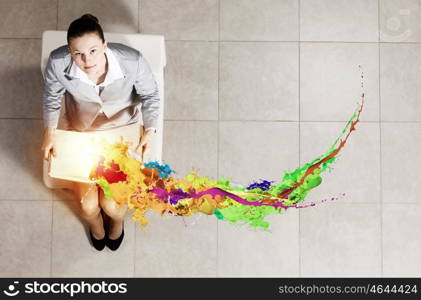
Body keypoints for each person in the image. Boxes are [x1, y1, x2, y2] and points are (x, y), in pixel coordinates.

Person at [40, 13, 160, 251]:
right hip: (82, 131)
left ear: (105, 45)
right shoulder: (57, 62)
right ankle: (96, 225)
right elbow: (51, 98)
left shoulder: (132, 61)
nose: (87, 60)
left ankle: (116, 222)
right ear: (69, 50)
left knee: (113, 205)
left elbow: (150, 95)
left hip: (122, 131)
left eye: (93, 50)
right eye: (78, 54)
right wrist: (50, 131)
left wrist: (150, 129)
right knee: (87, 206)